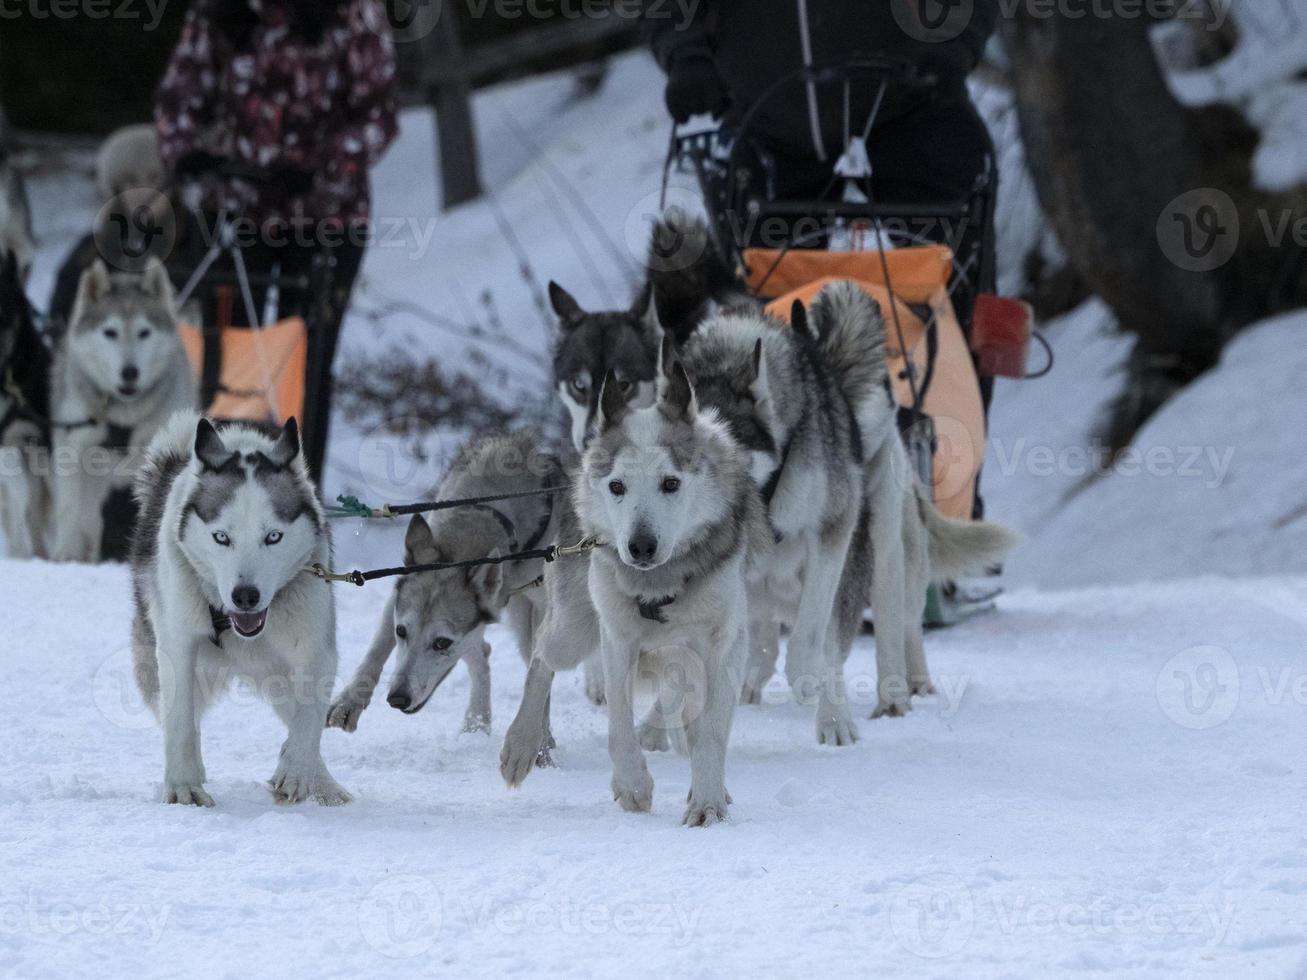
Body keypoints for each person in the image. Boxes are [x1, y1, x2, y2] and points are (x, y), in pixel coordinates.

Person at [642, 0, 998, 354]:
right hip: (770, 124)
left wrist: (954, 39)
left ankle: (959, 385)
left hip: (909, 104)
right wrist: (685, 51)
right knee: (770, 322)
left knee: (958, 289)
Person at [154, 0, 398, 477]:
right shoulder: (216, 14)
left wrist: (322, 168)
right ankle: (223, 497)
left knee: (303, 368)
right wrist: (187, 154)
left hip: (327, 220)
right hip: (235, 217)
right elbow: (178, 100)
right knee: (230, 366)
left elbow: (379, 115)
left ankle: (299, 497)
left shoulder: (353, 14)